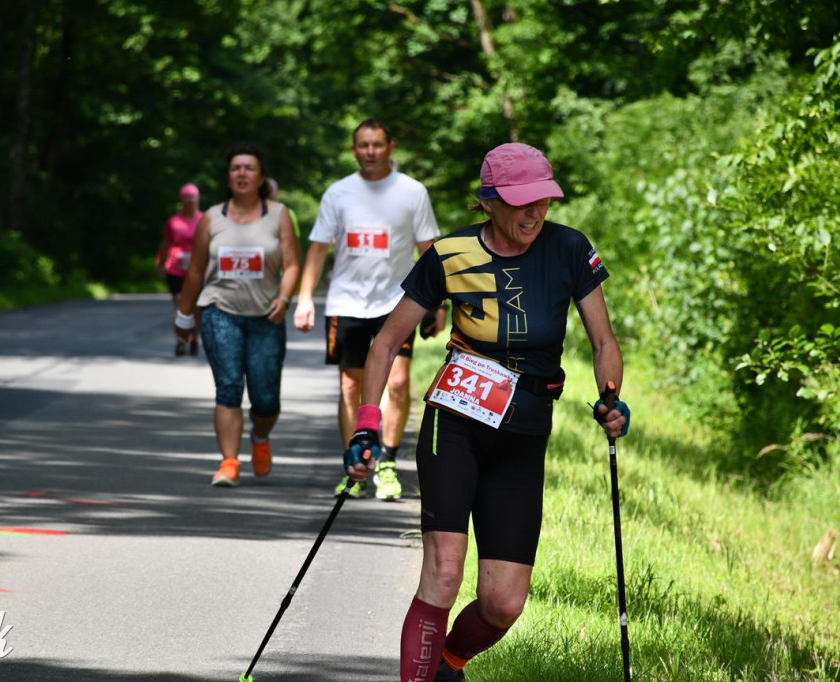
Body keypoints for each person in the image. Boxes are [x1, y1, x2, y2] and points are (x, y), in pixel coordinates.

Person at [340, 143, 630, 681]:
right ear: (488, 201)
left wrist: (611, 398)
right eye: (521, 201)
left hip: (523, 434)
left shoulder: (569, 249)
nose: (535, 212)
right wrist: (368, 423)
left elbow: (602, 340)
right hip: (454, 426)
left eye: (543, 199)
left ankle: (449, 662)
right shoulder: (450, 255)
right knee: (444, 573)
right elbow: (384, 345)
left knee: (503, 603)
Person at [293, 118, 443, 501]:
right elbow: (317, 248)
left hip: (398, 302)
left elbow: (429, 251)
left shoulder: (412, 192)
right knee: (350, 385)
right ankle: (355, 464)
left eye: (377, 144)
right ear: (353, 148)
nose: (370, 152)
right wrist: (306, 296)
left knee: (396, 382)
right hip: (347, 301)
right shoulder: (338, 194)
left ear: (390, 147)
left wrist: (439, 304)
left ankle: (388, 462)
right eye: (363, 145)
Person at [174, 143, 301, 487]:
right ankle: (229, 462)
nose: (242, 173)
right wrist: (184, 316)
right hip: (220, 312)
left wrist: (286, 298)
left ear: (261, 177)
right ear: (228, 177)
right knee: (228, 387)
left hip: (266, 317)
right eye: (235, 168)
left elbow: (291, 265)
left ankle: (260, 438)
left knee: (265, 397)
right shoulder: (211, 218)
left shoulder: (279, 214)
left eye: (249, 168)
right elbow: (197, 272)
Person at [156, 183, 204, 356]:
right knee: (180, 305)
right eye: (187, 197)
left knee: (197, 307)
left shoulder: (204, 219)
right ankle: (180, 340)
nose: (190, 201)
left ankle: (194, 339)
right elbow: (166, 243)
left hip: (198, 269)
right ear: (181, 200)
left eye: (193, 197)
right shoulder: (173, 222)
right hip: (176, 269)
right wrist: (160, 263)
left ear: (198, 199)